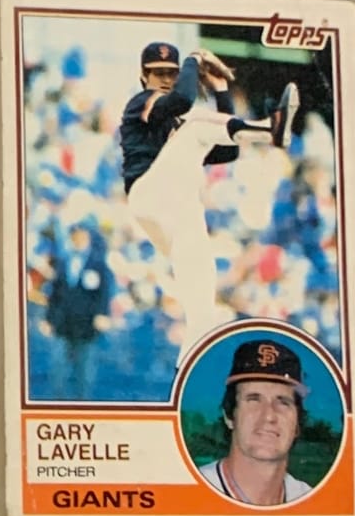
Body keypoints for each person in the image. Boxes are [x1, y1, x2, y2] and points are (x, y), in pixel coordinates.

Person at [117, 40, 297, 365]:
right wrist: (193, 59)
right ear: (144, 77)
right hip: (149, 191)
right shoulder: (141, 103)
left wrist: (221, 89)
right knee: (198, 127)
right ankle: (271, 129)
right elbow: (183, 100)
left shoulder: (180, 126)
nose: (165, 79)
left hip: (174, 213)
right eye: (158, 72)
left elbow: (228, 150)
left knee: (202, 305)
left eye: (171, 73)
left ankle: (187, 370)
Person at [197, 337, 315, 506]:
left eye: (283, 402)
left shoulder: (311, 501)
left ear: (297, 424)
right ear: (229, 416)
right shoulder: (192, 490)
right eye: (253, 400)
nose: (269, 416)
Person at [40, 221, 113, 397]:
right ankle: (58, 403)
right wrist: (48, 319)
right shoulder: (63, 262)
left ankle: (82, 404)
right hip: (62, 323)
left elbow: (104, 292)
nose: (79, 240)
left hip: (86, 324)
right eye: (75, 237)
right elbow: (55, 294)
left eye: (82, 237)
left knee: (84, 371)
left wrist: (102, 314)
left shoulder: (98, 264)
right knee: (58, 369)